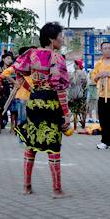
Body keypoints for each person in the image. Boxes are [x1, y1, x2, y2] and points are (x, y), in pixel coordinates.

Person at [12, 22, 70, 198]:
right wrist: (66, 114)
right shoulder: (57, 58)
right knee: (53, 147)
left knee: (31, 145)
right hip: (51, 104)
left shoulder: (31, 54)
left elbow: (18, 73)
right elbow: (59, 88)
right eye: (60, 36)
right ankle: (57, 190)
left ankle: (26, 187)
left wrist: (29, 89)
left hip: (34, 102)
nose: (62, 39)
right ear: (52, 39)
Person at [68, 59, 87, 130]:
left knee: (73, 109)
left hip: (74, 94)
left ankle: (74, 123)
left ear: (78, 65)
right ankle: (82, 121)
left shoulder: (75, 73)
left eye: (75, 64)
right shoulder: (84, 73)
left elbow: (72, 82)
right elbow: (85, 84)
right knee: (82, 110)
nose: (74, 65)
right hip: (81, 94)